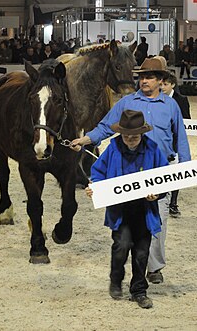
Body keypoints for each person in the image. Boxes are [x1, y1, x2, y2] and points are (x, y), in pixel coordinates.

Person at [70, 56, 191, 284]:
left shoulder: (171, 106)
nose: (144, 81)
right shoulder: (127, 103)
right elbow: (106, 126)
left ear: (160, 80)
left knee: (159, 221)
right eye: (142, 77)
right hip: (130, 169)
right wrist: (85, 140)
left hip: (160, 169)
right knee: (129, 219)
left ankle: (154, 267)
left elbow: (180, 138)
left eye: (149, 77)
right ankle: (131, 265)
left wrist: (184, 168)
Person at [85, 110, 168, 309]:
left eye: (135, 137)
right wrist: (95, 186)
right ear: (120, 134)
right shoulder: (112, 149)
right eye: (126, 137)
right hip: (120, 212)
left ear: (143, 134)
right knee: (121, 247)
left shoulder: (154, 149)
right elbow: (98, 172)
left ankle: (139, 291)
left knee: (141, 253)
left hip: (145, 212)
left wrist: (158, 193)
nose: (130, 140)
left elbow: (165, 178)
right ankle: (116, 279)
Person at [161, 71, 191, 218]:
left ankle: (173, 203)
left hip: (175, 143)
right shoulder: (155, 99)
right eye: (161, 84)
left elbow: (186, 121)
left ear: (172, 85)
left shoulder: (182, 100)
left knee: (175, 173)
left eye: (165, 84)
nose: (162, 87)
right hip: (160, 142)